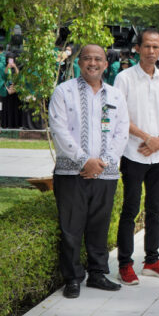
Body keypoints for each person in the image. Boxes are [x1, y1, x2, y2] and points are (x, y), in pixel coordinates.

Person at [49, 44, 129, 298]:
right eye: (87, 59)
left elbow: (122, 132)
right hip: (71, 173)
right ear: (78, 63)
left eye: (98, 59)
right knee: (71, 227)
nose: (92, 63)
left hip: (105, 173)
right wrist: (85, 161)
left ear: (106, 64)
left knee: (99, 225)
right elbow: (59, 130)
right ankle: (72, 278)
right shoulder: (63, 92)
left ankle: (97, 274)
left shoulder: (116, 95)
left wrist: (102, 162)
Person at [113, 28, 159, 284]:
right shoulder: (124, 78)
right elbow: (121, 117)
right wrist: (146, 138)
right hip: (133, 154)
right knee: (130, 210)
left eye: (156, 47)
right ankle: (125, 264)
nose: (152, 51)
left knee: (154, 211)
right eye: (147, 46)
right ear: (138, 49)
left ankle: (151, 260)